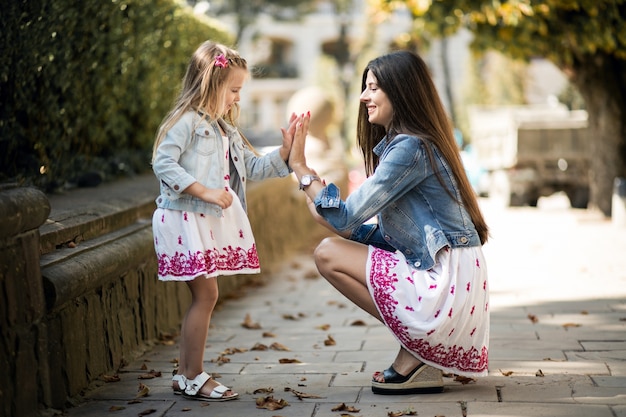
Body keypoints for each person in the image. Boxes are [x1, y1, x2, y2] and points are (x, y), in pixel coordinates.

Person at [288, 50, 490, 395]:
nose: (364, 97)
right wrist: (333, 219)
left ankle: (416, 348)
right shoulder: (414, 144)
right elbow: (378, 234)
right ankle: (418, 347)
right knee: (331, 245)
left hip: (446, 283)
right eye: (365, 88)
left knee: (327, 254)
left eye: (374, 88)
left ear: (401, 92)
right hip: (456, 278)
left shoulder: (408, 148)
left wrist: (302, 169)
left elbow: (346, 215)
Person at [151, 41, 300, 401]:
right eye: (233, 90)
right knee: (206, 294)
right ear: (210, 84)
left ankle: (187, 374)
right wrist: (202, 190)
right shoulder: (186, 123)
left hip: (201, 220)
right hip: (185, 219)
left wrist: (284, 152)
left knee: (205, 295)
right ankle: (193, 375)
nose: (237, 98)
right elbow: (162, 162)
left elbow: (251, 168)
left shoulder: (223, 130)